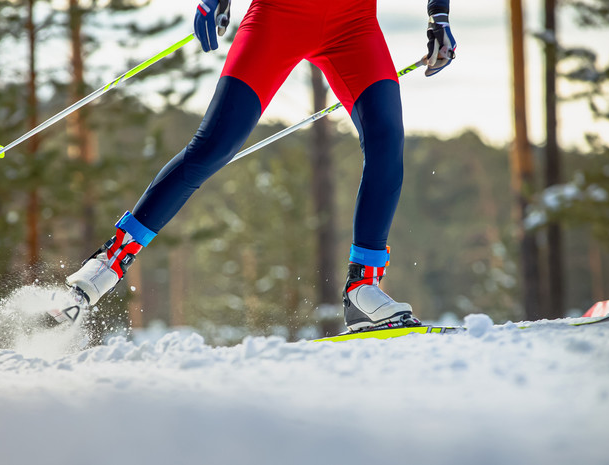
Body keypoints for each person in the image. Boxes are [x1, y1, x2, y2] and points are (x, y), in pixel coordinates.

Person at [65, 0, 456, 331]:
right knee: (213, 146)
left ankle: (362, 288)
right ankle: (111, 259)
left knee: (387, 144)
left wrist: (439, 16)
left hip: (352, 24)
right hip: (279, 16)